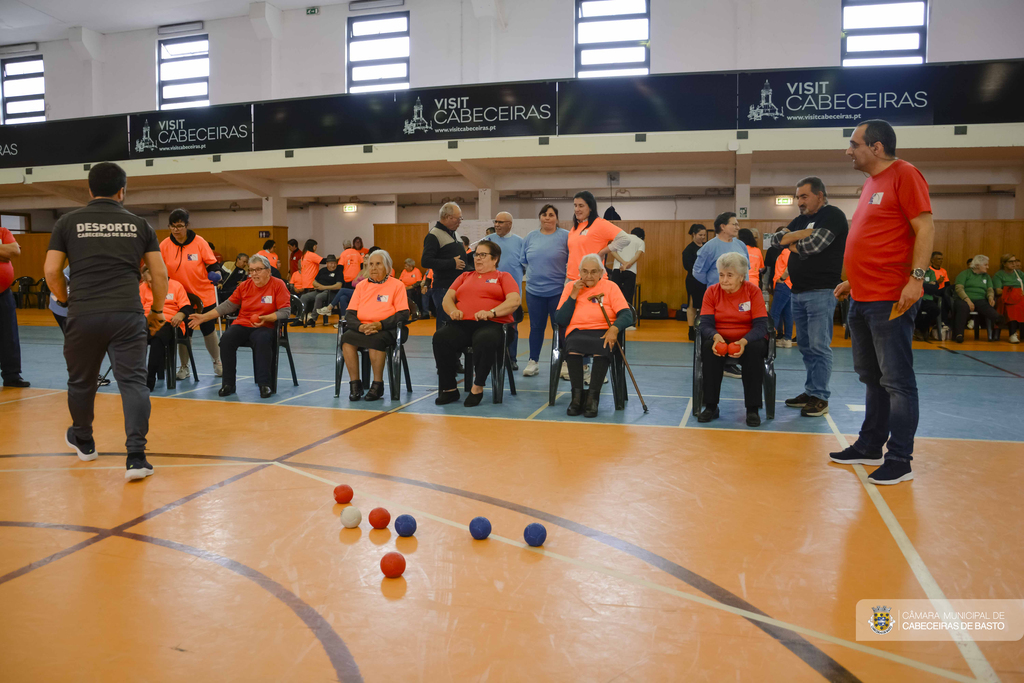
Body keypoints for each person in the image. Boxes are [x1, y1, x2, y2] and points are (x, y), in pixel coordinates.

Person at [43, 161, 167, 480]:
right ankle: (136, 458)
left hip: (83, 314)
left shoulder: (67, 223)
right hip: (127, 315)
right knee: (133, 384)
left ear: (89, 190)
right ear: (122, 191)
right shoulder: (140, 225)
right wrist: (156, 311)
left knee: (81, 383)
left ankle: (84, 441)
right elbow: (160, 273)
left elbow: (51, 271)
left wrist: (66, 301)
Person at [832, 119, 934, 485]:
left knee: (897, 382)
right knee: (871, 377)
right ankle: (869, 445)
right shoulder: (870, 184)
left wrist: (916, 280)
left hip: (890, 297)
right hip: (861, 295)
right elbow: (877, 236)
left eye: (854, 144)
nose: (849, 151)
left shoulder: (905, 174)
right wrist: (851, 279)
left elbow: (925, 227)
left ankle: (900, 459)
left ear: (876, 147)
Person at [766, 177, 849, 418]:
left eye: (804, 196)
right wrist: (801, 233)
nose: (799, 202)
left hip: (822, 291)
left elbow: (813, 246)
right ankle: (811, 391)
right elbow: (773, 240)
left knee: (819, 346)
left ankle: (820, 397)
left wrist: (792, 240)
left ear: (820, 196)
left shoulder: (833, 215)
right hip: (798, 291)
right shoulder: (801, 220)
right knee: (804, 345)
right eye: (797, 197)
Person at [188, 254, 290, 399]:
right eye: (251, 270)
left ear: (268, 271)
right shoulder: (245, 285)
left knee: (262, 340)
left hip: (266, 325)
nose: (254, 274)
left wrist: (267, 317)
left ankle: (264, 384)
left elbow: (285, 312)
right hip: (243, 323)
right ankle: (228, 384)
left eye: (258, 270)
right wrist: (204, 317)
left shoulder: (278, 284)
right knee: (226, 340)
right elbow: (228, 305)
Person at [432, 241, 519, 407]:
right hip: (464, 324)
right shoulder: (464, 276)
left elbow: (514, 301)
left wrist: (491, 312)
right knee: (441, 337)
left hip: (494, 325)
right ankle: (449, 389)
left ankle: (477, 387)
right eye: (476, 254)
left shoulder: (503, 277)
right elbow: (447, 298)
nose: (478, 258)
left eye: (483, 255)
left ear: (495, 259)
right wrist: (452, 311)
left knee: (484, 338)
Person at [554, 254, 633, 418]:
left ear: (601, 272)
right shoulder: (571, 287)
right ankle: (576, 398)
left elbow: (627, 315)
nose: (589, 276)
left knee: (602, 345)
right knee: (573, 345)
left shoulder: (610, 287)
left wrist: (614, 329)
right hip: (578, 331)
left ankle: (592, 398)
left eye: (593, 272)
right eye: (585, 271)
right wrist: (574, 295)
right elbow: (561, 319)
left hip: (604, 331)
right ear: (579, 272)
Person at [696, 252, 769, 427]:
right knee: (707, 348)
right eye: (722, 274)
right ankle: (711, 406)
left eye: (730, 275)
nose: (724, 279)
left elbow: (761, 326)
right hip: (720, 338)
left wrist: (743, 341)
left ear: (741, 276)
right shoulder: (712, 292)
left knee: (755, 350)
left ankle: (752, 408)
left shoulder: (753, 291)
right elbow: (704, 323)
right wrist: (715, 337)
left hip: (747, 340)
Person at [159, 208, 223, 379]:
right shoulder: (164, 245)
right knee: (183, 332)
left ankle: (217, 361)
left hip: (203, 295)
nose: (176, 230)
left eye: (180, 226)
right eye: (172, 226)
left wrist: (217, 273)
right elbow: (159, 268)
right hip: (180, 298)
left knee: (208, 330)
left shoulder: (199, 242)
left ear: (186, 225)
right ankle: (184, 367)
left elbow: (212, 264)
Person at [341, 250, 410, 401]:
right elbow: (350, 314)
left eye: (378, 264)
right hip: (363, 327)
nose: (373, 268)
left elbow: (403, 314)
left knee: (375, 340)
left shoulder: (397, 285)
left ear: (387, 267)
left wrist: (380, 325)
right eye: (371, 264)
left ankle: (377, 385)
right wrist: (360, 327)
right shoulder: (361, 286)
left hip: (388, 329)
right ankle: (355, 384)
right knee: (346, 339)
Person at [521, 204, 569, 377]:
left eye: (551, 215)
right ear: (540, 217)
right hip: (534, 291)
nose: (547, 218)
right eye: (544, 215)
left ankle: (564, 362)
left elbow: (571, 262)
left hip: (558, 291)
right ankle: (533, 361)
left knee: (561, 327)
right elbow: (524, 261)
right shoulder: (530, 237)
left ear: (557, 218)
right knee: (536, 327)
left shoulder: (565, 237)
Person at [139, 265, 192, 390]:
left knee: (158, 336)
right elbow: (137, 308)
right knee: (134, 335)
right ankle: (135, 377)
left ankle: (150, 379)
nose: (149, 285)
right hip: (147, 321)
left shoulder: (176, 286)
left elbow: (187, 307)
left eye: (152, 282)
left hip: (171, 323)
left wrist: (180, 314)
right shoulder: (143, 287)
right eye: (147, 282)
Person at [422, 201, 473, 330]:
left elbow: (460, 259)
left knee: (456, 324)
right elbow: (426, 261)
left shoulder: (453, 233)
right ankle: (444, 349)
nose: (460, 221)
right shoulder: (433, 236)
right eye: (458, 218)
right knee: (445, 325)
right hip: (443, 288)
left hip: (457, 286)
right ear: (448, 217)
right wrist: (451, 263)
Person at [484, 211, 526, 367]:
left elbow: (524, 267)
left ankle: (511, 359)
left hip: (511, 296)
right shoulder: (488, 241)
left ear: (509, 224)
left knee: (511, 327)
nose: (496, 225)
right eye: (495, 222)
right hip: (490, 295)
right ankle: (491, 358)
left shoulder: (520, 243)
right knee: (489, 327)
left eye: (500, 222)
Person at [566, 191, 629, 281]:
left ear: (591, 207)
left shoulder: (599, 224)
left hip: (593, 280)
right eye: (575, 205)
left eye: (581, 206)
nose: (577, 209)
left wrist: (602, 252)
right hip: (572, 279)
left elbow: (625, 238)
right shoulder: (574, 228)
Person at [0, 224, 28, 388]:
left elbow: (15, 251)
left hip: (3, 293)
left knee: (9, 336)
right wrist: (3, 252)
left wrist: (8, 252)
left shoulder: (3, 231)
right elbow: (8, 251)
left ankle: (12, 376)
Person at [691, 212, 749, 289]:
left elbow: (746, 268)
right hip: (719, 294)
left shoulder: (741, 245)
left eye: (737, 225)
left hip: (741, 293)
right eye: (734, 224)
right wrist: (714, 283)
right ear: (723, 226)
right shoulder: (709, 247)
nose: (738, 228)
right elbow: (698, 272)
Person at [952, 254, 1002, 342]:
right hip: (963, 299)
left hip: (980, 299)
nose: (988, 267)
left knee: (987, 307)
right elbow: (959, 288)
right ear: (978, 265)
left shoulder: (986, 276)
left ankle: (998, 321)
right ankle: (959, 334)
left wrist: (990, 297)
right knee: (962, 307)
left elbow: (990, 289)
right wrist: (967, 300)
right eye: (985, 265)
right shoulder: (965, 274)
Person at [682, 223, 710, 341]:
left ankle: (704, 328)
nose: (703, 237)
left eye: (704, 235)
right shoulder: (689, 249)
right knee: (692, 304)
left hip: (706, 280)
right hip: (693, 280)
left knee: (706, 305)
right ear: (693, 234)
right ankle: (691, 330)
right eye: (700, 235)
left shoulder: (706, 247)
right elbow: (687, 266)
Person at [609, 227, 645, 314]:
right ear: (641, 236)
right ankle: (628, 320)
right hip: (630, 271)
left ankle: (613, 317)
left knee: (614, 295)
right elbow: (638, 255)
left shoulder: (622, 238)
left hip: (617, 270)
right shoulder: (640, 241)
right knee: (628, 296)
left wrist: (623, 262)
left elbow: (612, 251)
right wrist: (628, 264)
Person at [302, 254, 342, 326]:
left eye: (334, 263)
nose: (333, 265)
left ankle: (313, 319)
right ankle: (300, 318)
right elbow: (314, 282)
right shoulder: (322, 271)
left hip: (331, 293)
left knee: (319, 297)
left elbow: (339, 286)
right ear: (327, 264)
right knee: (304, 297)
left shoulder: (338, 272)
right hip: (318, 290)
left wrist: (324, 287)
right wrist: (317, 286)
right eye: (331, 263)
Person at [994, 254, 1023, 343]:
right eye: (1011, 262)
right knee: (1013, 307)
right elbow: (998, 291)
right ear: (1004, 263)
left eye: (1015, 261)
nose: (1014, 263)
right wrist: (1013, 292)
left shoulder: (1020, 273)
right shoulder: (999, 275)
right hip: (1005, 299)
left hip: (1020, 297)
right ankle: (1012, 334)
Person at [293, 238, 322, 325]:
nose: (316, 248)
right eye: (315, 246)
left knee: (306, 299)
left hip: (306, 281)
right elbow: (323, 260)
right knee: (311, 300)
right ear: (312, 246)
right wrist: (338, 258)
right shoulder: (311, 254)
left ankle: (301, 318)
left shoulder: (304, 255)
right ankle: (307, 317)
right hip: (312, 282)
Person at [771, 246, 794, 347]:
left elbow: (790, 266)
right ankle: (787, 339)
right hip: (789, 285)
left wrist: (781, 278)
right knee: (787, 313)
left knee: (774, 313)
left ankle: (769, 339)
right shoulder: (790, 252)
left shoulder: (786, 251)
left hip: (783, 285)